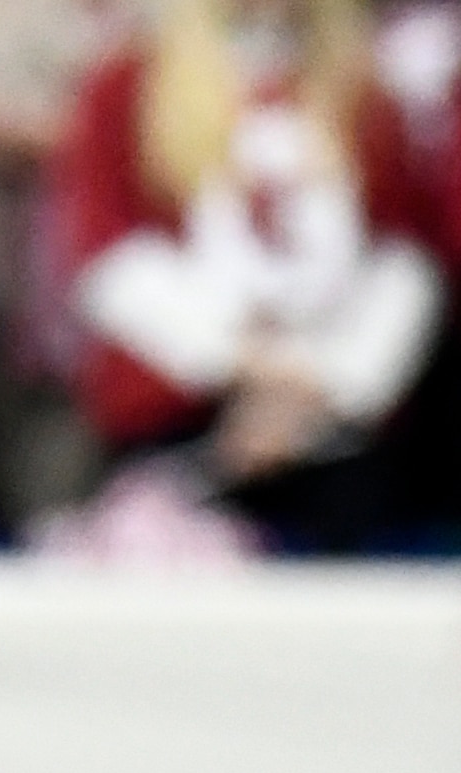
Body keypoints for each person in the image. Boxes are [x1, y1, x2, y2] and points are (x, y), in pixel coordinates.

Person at [57, 0, 448, 550]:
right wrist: (240, 362)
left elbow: (403, 260)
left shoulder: (360, 91)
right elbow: (106, 254)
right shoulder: (128, 83)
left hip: (331, 427)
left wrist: (322, 379)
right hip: (181, 418)